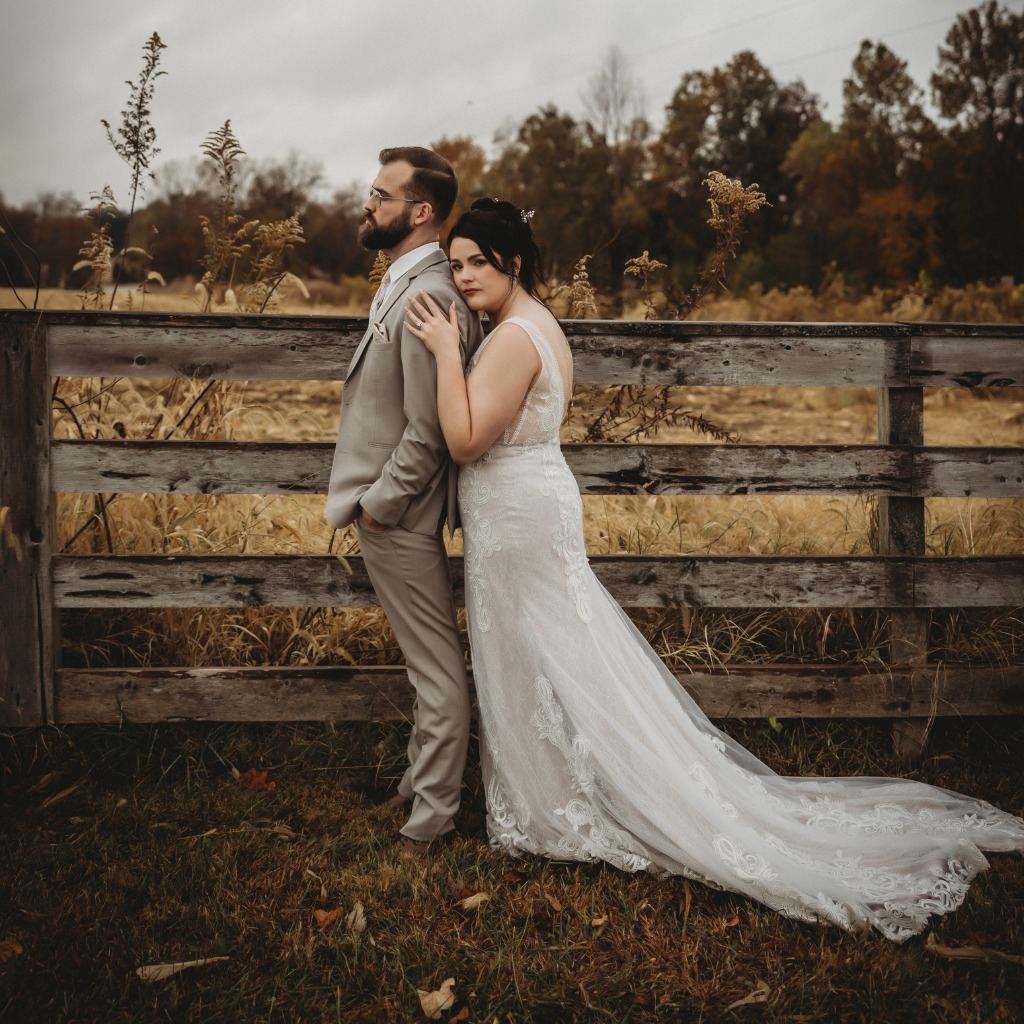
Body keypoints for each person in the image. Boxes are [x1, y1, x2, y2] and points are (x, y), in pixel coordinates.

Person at [404, 197, 1024, 940]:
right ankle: (559, 794)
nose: (464, 276)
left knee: (551, 654)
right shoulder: (539, 327)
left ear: (512, 261)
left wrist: (445, 353)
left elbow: (468, 439)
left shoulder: (510, 339)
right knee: (558, 654)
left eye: (478, 261)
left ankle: (577, 805)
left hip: (518, 515)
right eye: (457, 262)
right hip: (527, 505)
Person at [326, 148, 483, 856]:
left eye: (380, 194)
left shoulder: (431, 295)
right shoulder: (404, 281)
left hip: (402, 515)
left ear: (420, 211)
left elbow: (431, 429)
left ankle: (430, 824)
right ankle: (419, 783)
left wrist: (381, 505)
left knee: (438, 672)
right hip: (388, 510)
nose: (368, 203)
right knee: (426, 663)